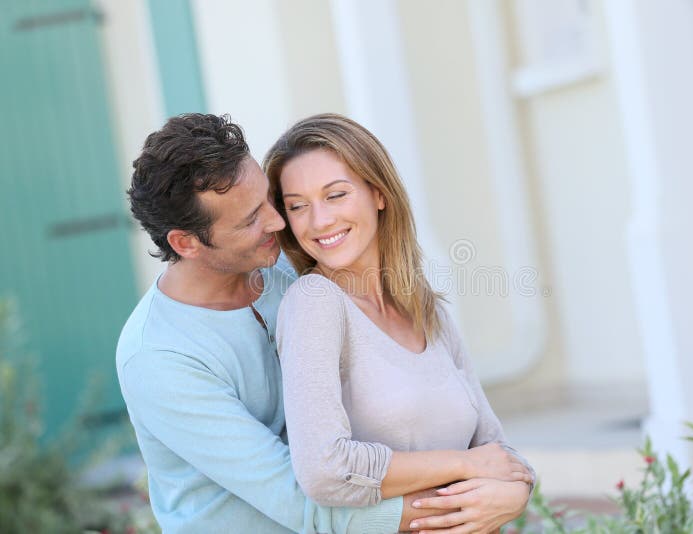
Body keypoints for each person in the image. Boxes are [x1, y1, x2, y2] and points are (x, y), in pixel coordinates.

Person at [117, 113, 527, 533]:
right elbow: (304, 498)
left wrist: (514, 486)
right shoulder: (158, 356)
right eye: (250, 219)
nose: (279, 223)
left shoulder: (292, 278)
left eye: (271, 202)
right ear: (186, 243)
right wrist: (470, 489)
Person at [264, 113, 535, 534]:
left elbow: (495, 447)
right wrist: (463, 467)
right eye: (298, 206)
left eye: (335, 195)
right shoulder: (314, 303)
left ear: (378, 193)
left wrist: (519, 491)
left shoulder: (426, 308)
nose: (318, 221)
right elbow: (323, 470)